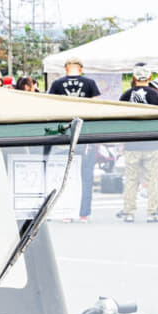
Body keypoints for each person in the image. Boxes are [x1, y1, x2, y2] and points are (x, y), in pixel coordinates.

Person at [48, 57, 100, 222]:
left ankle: (66, 212)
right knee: (86, 176)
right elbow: (96, 109)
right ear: (81, 68)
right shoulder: (90, 83)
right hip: (85, 135)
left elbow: (51, 109)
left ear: (66, 68)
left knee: (66, 177)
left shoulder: (57, 84)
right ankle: (84, 213)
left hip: (65, 136)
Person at [117, 65, 158, 223]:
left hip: (132, 142)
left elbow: (121, 121)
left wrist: (123, 142)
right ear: (150, 77)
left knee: (131, 179)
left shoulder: (125, 96)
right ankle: (152, 212)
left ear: (134, 78)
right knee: (152, 179)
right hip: (152, 143)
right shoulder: (157, 96)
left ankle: (128, 212)